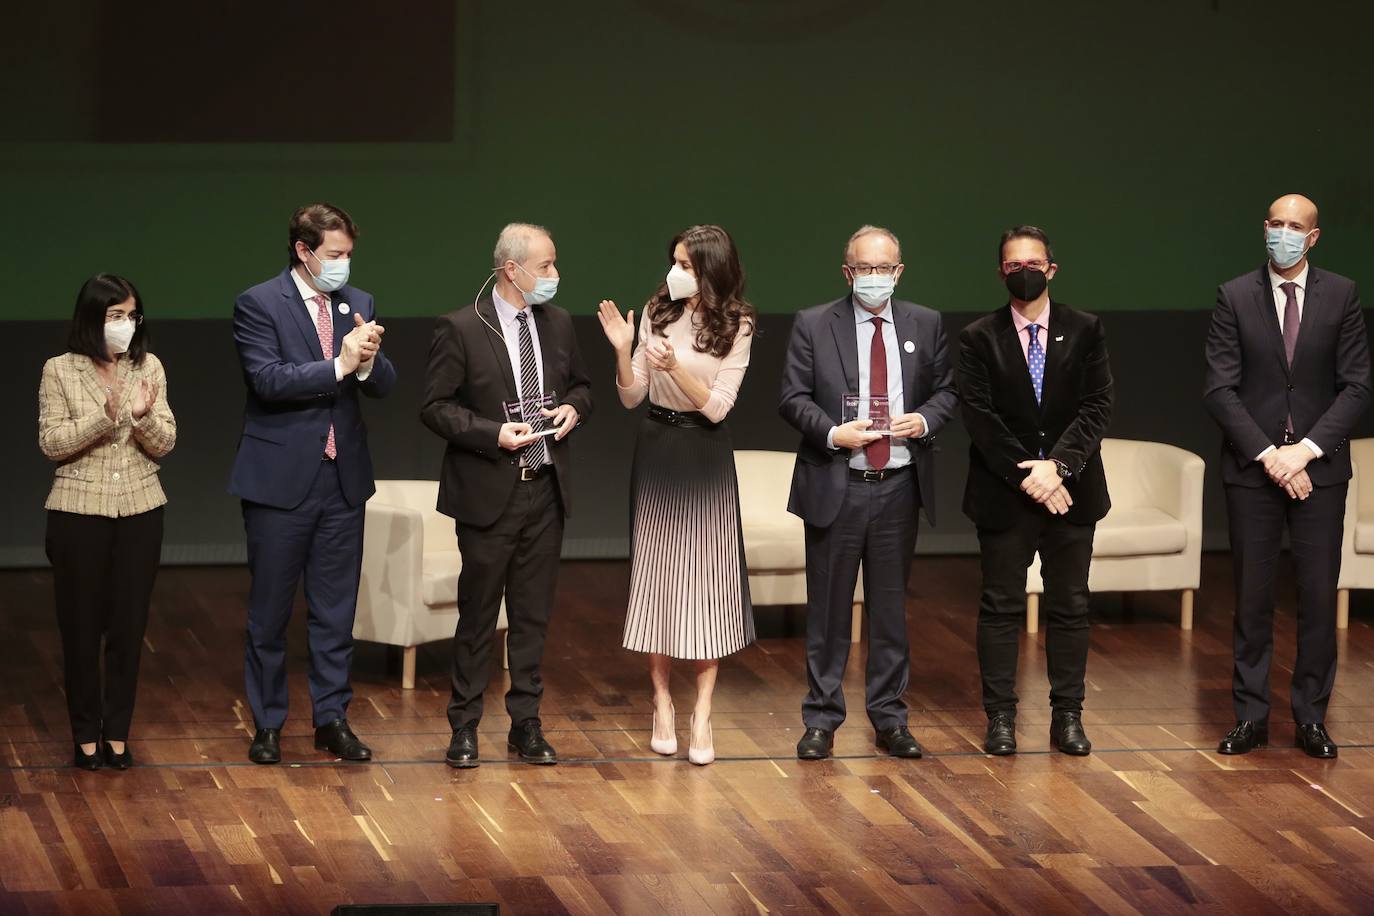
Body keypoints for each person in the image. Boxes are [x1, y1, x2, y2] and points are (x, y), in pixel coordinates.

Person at [778, 225, 958, 761]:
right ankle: (821, 719)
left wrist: (924, 420)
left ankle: (889, 717)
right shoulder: (814, 323)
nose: (873, 278)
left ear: (899, 272)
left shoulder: (925, 323)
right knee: (828, 612)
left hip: (899, 484)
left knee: (889, 611)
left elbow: (948, 391)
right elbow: (792, 397)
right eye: (863, 268)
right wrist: (833, 432)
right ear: (847, 271)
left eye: (883, 269)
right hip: (838, 481)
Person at [1203, 194, 1370, 759]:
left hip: (1320, 471)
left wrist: (1306, 452)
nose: (1283, 234)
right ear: (1264, 229)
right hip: (1254, 472)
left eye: (1295, 226)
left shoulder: (1342, 295)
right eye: (1275, 224)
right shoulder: (1234, 295)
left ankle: (1312, 718)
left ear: (1314, 237)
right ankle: (1250, 717)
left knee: (1320, 598)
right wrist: (1272, 455)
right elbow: (1220, 389)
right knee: (1252, 596)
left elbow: (1357, 386)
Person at [230, 202, 397, 765]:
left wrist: (368, 362)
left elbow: (384, 382)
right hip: (281, 483)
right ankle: (269, 724)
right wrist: (340, 366)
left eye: (348, 254)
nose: (343, 265)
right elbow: (267, 380)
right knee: (270, 612)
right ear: (303, 252)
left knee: (335, 611)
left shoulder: (359, 303)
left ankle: (331, 718)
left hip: (341, 482)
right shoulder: (259, 304)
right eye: (334, 255)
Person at [421, 222, 592, 768]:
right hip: (490, 490)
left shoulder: (560, 324)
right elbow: (436, 407)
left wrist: (573, 410)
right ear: (511, 270)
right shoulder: (461, 327)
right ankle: (465, 726)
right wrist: (491, 433)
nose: (555, 276)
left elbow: (582, 387)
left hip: (546, 487)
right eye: (546, 266)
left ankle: (526, 724)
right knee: (477, 615)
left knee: (532, 614)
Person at [598, 224, 757, 766]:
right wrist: (626, 351)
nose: (675, 273)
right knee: (659, 575)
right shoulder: (656, 310)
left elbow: (717, 406)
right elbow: (632, 395)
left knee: (710, 581)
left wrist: (678, 368)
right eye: (673, 261)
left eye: (686, 265)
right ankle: (662, 702)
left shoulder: (739, 324)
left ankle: (703, 711)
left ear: (711, 270)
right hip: (658, 445)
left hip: (706, 450)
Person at [956, 225, 1113, 757]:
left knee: (1070, 606)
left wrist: (1059, 467)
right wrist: (1032, 476)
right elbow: (980, 417)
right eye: (1012, 263)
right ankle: (1001, 718)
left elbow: (1097, 406)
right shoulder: (978, 338)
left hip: (1072, 492)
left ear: (1051, 268)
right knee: (1001, 606)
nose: (1023, 270)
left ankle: (1067, 717)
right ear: (1002, 272)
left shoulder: (1086, 329)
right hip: (1006, 494)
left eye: (1033, 262)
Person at [39, 274, 176, 770]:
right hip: (78, 513)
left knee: (128, 627)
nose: (124, 324)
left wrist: (140, 416)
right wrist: (106, 414)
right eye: (114, 315)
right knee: (80, 629)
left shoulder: (149, 367)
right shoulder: (59, 370)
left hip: (140, 510)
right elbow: (52, 443)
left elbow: (165, 443)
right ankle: (84, 737)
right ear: (91, 317)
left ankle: (117, 733)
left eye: (131, 315)